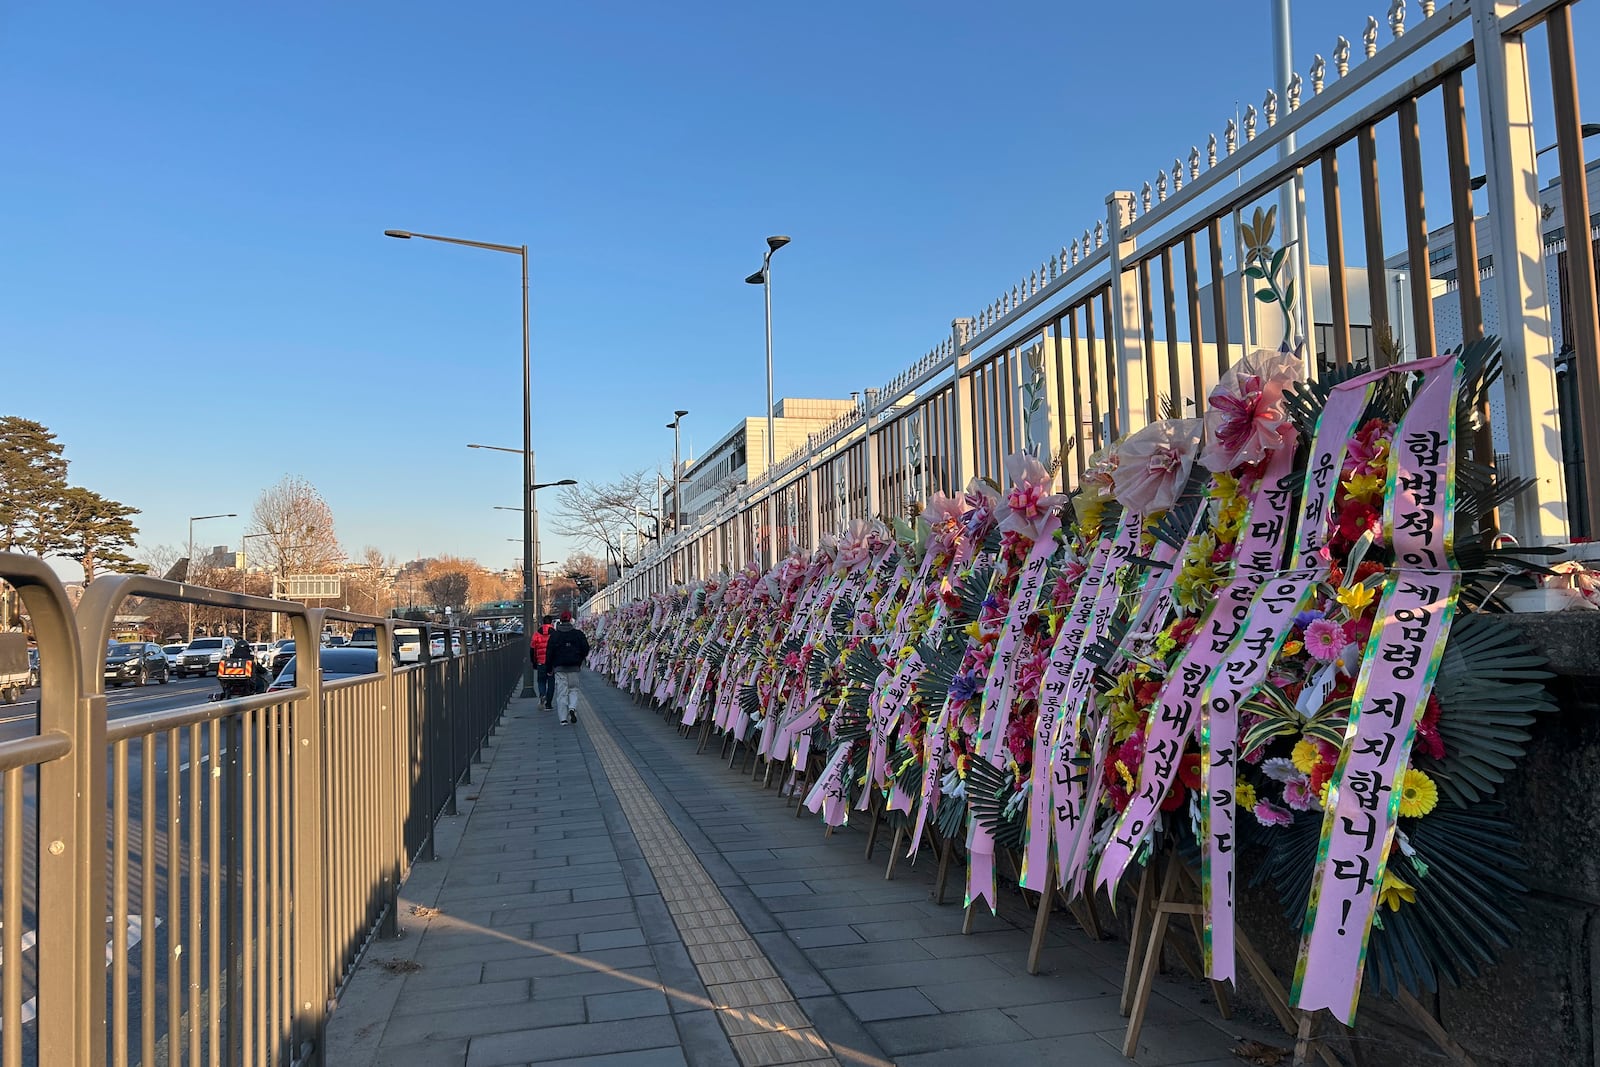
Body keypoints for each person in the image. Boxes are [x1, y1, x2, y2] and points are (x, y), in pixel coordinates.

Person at [544, 611, 589, 725]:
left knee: (562, 693)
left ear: (560, 620)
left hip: (559, 668)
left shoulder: (555, 635)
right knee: (573, 689)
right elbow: (586, 648)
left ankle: (563, 719)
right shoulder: (578, 634)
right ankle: (572, 708)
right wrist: (580, 659)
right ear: (570, 620)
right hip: (574, 667)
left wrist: (549, 668)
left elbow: (549, 653)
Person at [530, 615, 555, 709]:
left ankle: (542, 695)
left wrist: (533, 661)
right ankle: (549, 703)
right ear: (551, 622)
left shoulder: (536, 634)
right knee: (551, 682)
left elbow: (532, 649)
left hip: (540, 662)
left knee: (541, 680)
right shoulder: (554, 633)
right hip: (551, 663)